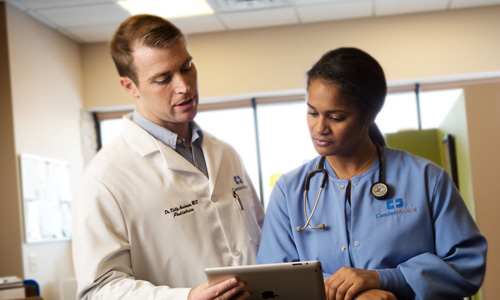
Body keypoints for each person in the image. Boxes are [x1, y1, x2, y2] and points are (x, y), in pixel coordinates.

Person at [256, 47, 487, 300]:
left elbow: (466, 266)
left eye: (336, 116)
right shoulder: (289, 191)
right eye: (312, 112)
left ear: (370, 116)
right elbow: (274, 281)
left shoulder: (426, 179)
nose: (319, 127)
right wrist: (351, 294)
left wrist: (385, 279)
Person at [72, 14, 264, 300]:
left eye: (187, 67)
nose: (184, 86)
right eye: (163, 79)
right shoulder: (104, 179)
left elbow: (261, 243)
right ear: (129, 87)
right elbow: (98, 289)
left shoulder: (225, 153)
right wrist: (185, 298)